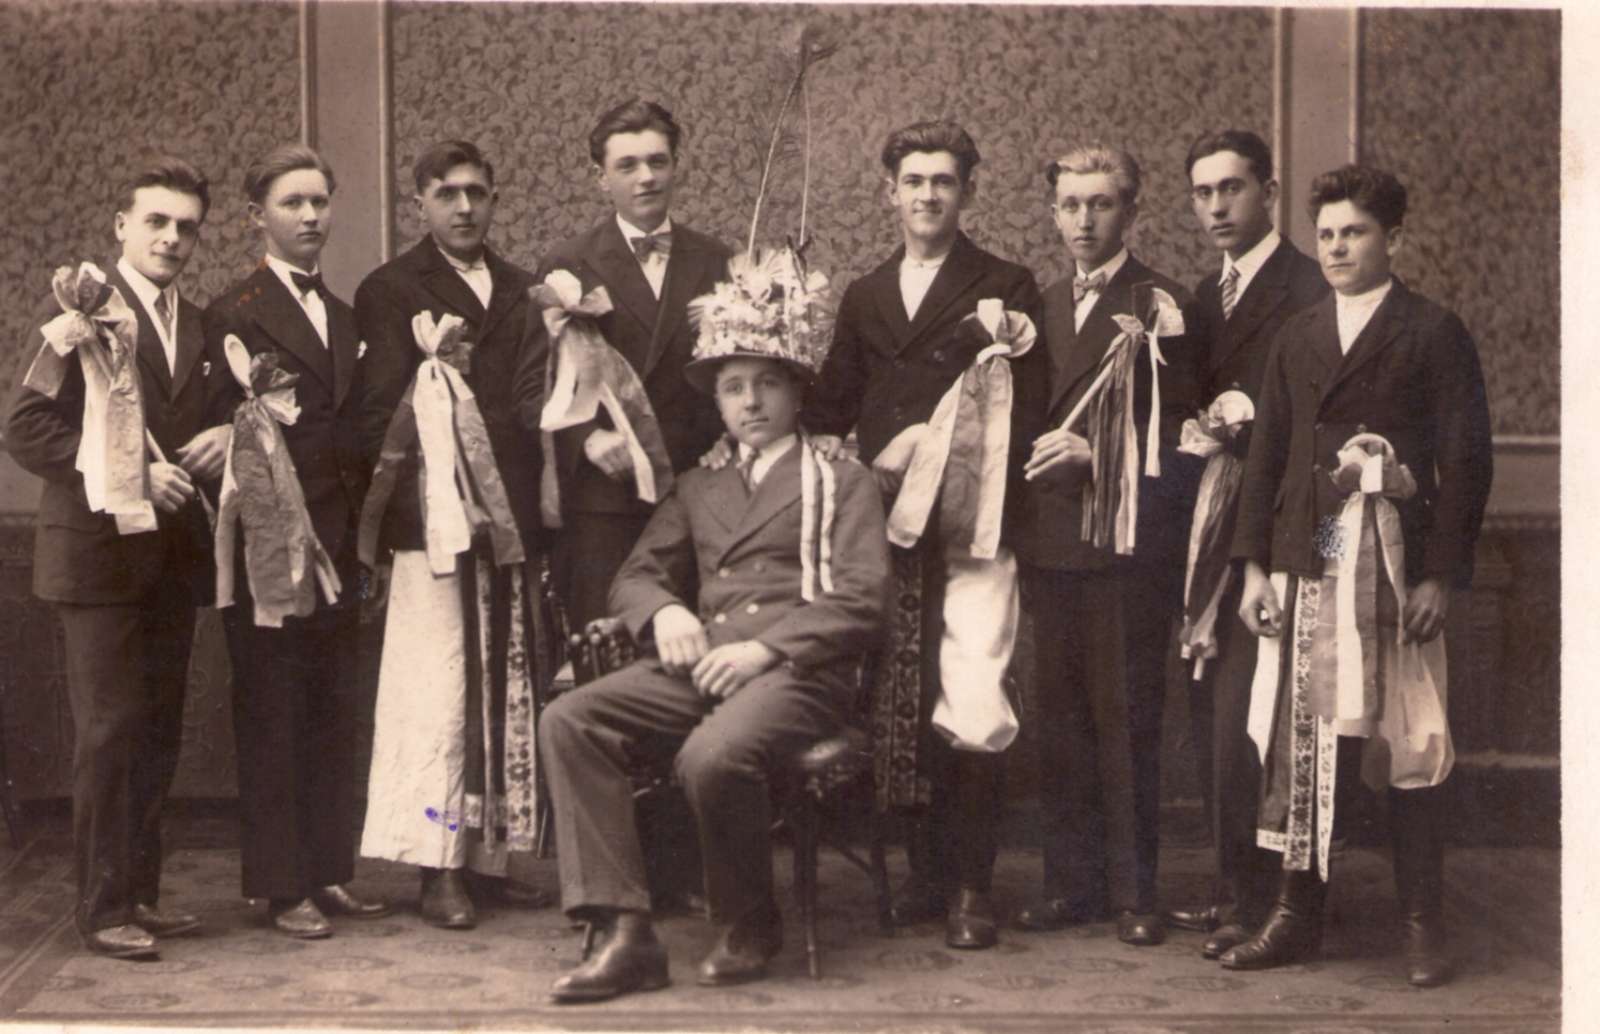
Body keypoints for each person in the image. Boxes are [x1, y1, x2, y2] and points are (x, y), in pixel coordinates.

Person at [538, 277, 890, 1001]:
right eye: (733, 388)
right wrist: (665, 615)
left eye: (767, 384)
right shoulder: (700, 486)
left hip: (799, 673)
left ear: (797, 392)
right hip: (705, 666)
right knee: (570, 718)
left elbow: (863, 597)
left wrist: (765, 650)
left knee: (712, 754)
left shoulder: (841, 478)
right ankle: (625, 929)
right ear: (719, 404)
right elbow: (636, 576)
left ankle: (749, 920)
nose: (750, 402)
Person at [1224, 164, 1492, 987]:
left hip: (1394, 561)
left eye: (1356, 232)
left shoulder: (1431, 331)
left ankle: (1421, 921)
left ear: (1393, 239)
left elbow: (1466, 464)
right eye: (1328, 234)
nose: (1338, 247)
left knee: (1410, 734)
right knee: (1306, 733)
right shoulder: (1298, 334)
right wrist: (1255, 568)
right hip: (1317, 550)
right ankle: (1296, 912)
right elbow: (1268, 457)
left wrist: (1438, 578)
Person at [804, 120, 1046, 951]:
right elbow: (832, 404)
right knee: (902, 703)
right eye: (913, 181)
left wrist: (931, 445)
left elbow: (1024, 410)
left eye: (944, 180)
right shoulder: (867, 294)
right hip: (890, 533)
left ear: (967, 191)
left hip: (974, 528)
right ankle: (925, 874)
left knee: (972, 698)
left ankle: (972, 885)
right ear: (890, 192)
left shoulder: (1006, 286)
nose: (928, 195)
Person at [5, 158, 228, 959]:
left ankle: (139, 893)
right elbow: (26, 427)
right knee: (109, 731)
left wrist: (228, 434)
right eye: (156, 221)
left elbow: (223, 413)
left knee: (158, 729)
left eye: (186, 227)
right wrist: (130, 474)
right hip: (96, 562)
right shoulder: (76, 313)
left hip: (170, 559)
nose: (171, 238)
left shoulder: (200, 324)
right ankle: (102, 910)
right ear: (122, 226)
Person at [1011, 144, 1204, 947]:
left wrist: (1102, 459)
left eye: (1100, 203)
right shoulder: (1039, 305)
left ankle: (1134, 893)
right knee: (1060, 723)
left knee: (1126, 721)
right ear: (1053, 212)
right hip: (1050, 543)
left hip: (1125, 546)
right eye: (1070, 205)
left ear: (1130, 211)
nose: (1083, 220)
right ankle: (1070, 886)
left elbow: (1189, 434)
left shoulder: (1163, 304)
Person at [353, 140, 549, 929]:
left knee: (500, 690)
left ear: (494, 196)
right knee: (437, 691)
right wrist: (436, 504)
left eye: (476, 192)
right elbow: (380, 414)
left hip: (508, 520)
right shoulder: (391, 290)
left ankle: (488, 859)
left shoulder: (524, 288)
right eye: (446, 193)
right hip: (433, 525)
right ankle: (436, 867)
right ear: (420, 203)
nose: (464, 207)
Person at [204, 144, 390, 938]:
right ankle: (283, 887)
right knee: (274, 711)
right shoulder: (232, 313)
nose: (311, 216)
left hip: (339, 542)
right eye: (293, 203)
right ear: (258, 217)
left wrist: (366, 540)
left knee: (332, 707)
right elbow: (218, 426)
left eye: (319, 201)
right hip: (270, 545)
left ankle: (327, 869)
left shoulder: (345, 316)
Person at [1164, 130, 1329, 959]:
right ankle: (1234, 887)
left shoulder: (1309, 287)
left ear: (1268, 191)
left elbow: (1312, 428)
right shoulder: (1205, 295)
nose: (1217, 207)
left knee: (1255, 717)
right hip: (1209, 525)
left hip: (1277, 530)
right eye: (1203, 193)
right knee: (1214, 716)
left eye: (1231, 188)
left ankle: (1270, 898)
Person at [516, 98, 732, 632]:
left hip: (699, 491)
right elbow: (529, 388)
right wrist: (587, 438)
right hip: (605, 503)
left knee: (697, 651)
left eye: (658, 161)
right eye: (627, 165)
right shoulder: (568, 263)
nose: (646, 177)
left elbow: (738, 372)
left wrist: (731, 437)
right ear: (601, 178)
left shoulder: (717, 260)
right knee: (610, 652)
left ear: (676, 166)